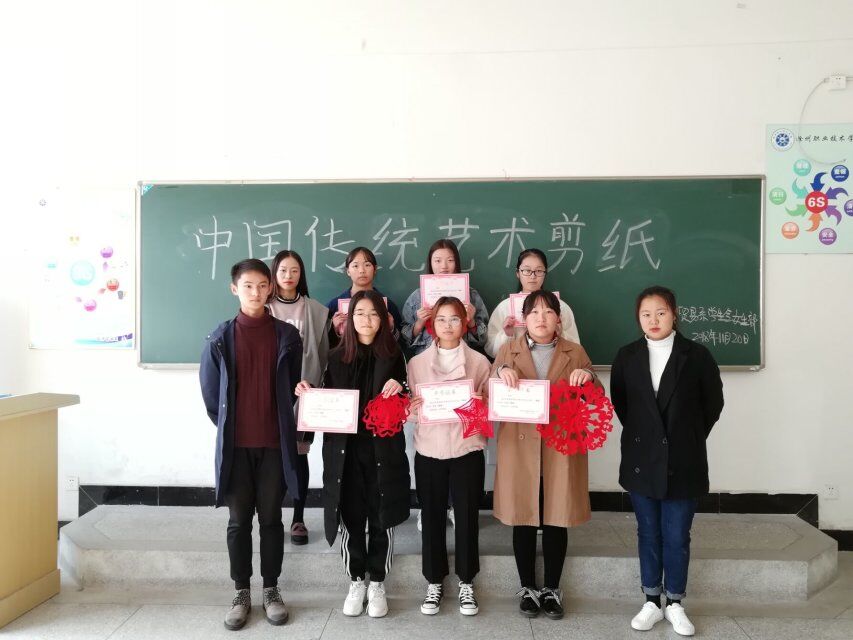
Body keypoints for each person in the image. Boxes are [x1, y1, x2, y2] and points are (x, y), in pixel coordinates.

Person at [610, 286, 723, 637]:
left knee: (677, 535)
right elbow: (622, 404)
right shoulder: (627, 356)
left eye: (660, 312)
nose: (653, 320)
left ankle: (674, 602)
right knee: (648, 533)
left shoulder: (697, 355)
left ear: (674, 314)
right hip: (642, 458)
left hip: (684, 459)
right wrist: (651, 437)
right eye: (646, 314)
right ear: (638, 318)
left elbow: (713, 404)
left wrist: (685, 436)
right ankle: (650, 601)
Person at [199, 258, 303, 630]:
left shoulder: (287, 336)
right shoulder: (219, 338)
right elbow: (212, 397)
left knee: (272, 519)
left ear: (270, 288)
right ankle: (241, 592)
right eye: (248, 286)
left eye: (262, 285)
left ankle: (271, 589)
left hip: (275, 446)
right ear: (235, 289)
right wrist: (235, 428)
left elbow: (291, 387)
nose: (256, 292)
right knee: (239, 520)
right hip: (236, 449)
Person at [295, 290, 410, 618]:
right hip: (344, 453)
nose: (366, 320)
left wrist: (400, 390)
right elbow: (324, 400)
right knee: (350, 515)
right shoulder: (334, 357)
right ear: (349, 319)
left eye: (373, 314)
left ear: (383, 320)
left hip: (382, 450)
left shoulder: (395, 355)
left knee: (382, 514)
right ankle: (356, 579)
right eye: (360, 313)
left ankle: (378, 582)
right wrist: (308, 393)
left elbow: (408, 400)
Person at [491, 290, 597, 620]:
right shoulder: (509, 349)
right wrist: (499, 373)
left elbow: (596, 396)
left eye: (548, 312)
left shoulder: (574, 351)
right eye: (534, 312)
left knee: (556, 517)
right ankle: (527, 588)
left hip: (560, 447)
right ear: (524, 319)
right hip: (520, 446)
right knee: (523, 517)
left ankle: (551, 588)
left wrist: (587, 378)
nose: (541, 318)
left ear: (558, 319)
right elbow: (487, 392)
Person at [407, 296, 491, 616]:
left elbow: (488, 411)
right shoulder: (416, 364)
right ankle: (434, 581)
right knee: (431, 517)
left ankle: (467, 582)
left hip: (467, 448)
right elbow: (409, 410)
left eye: (455, 319)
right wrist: (412, 409)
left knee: (467, 516)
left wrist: (480, 405)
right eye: (441, 319)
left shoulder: (480, 363)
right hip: (429, 449)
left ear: (465, 323)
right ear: (432, 324)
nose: (448, 325)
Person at [267, 250, 330, 545]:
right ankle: (271, 518)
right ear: (274, 273)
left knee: (299, 455)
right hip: (270, 395)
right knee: (272, 459)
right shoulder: (263, 307)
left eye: (294, 270)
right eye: (283, 270)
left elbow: (325, 355)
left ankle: (298, 518)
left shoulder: (315, 310)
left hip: (305, 395)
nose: (289, 276)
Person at [484, 248, 580, 358]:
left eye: (539, 271)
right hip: (513, 367)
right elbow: (491, 351)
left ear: (545, 273)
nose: (533, 276)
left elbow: (576, 349)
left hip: (553, 366)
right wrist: (507, 335)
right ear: (518, 273)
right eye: (526, 270)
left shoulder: (561, 307)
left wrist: (560, 334)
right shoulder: (504, 307)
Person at [401, 239, 489, 356]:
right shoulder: (417, 297)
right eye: (437, 261)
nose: (444, 266)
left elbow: (484, 340)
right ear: (430, 263)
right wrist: (419, 323)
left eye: (450, 260)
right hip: (426, 358)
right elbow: (404, 341)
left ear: (457, 263)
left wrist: (472, 322)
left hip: (463, 358)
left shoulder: (471, 295)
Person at [326, 246, 402, 345]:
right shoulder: (333, 306)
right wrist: (333, 329)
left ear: (375, 269)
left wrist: (391, 328)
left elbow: (401, 344)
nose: (362, 270)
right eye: (355, 266)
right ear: (348, 271)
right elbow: (322, 344)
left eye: (367, 265)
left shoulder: (388, 305)